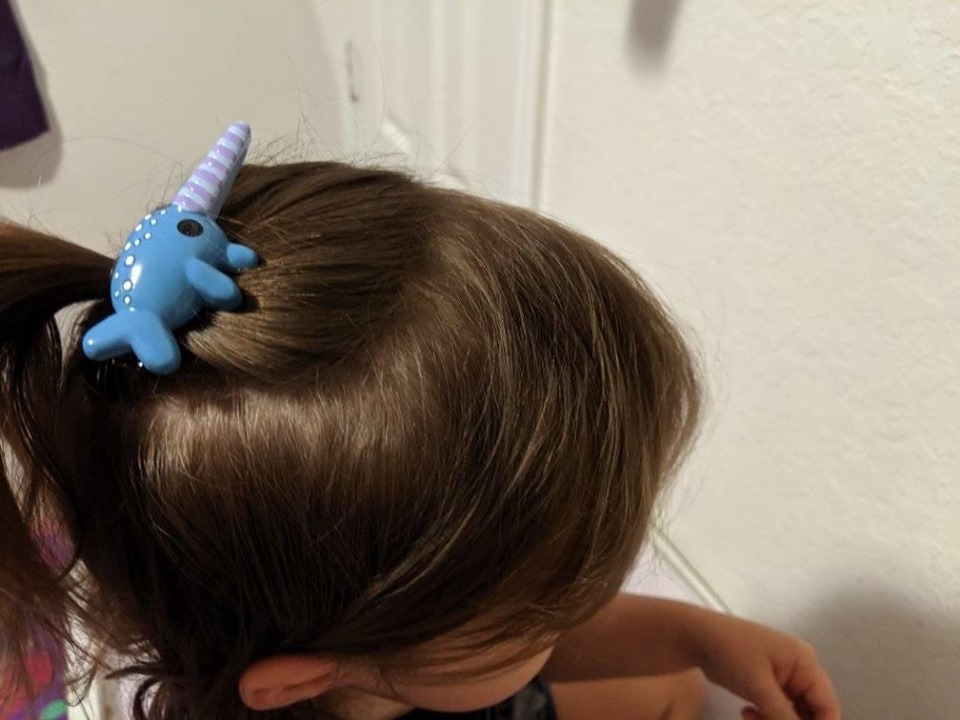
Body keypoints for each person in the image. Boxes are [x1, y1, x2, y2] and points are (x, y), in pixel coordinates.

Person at [0, 124, 841, 720]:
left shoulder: (383, 656)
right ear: (303, 681)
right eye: (542, 616)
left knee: (676, 687)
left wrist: (700, 637)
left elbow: (509, 649)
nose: (582, 610)